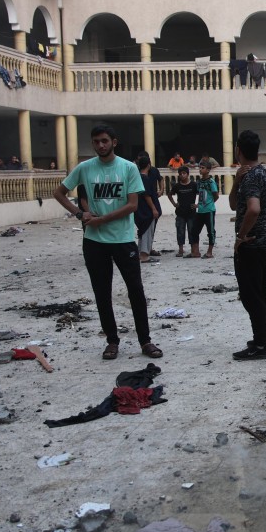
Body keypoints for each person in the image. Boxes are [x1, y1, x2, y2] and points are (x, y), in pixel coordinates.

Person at [52, 124, 162, 361]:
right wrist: (80, 214)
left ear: (114, 141)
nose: (100, 145)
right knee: (102, 292)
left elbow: (133, 205)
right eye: (96, 142)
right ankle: (112, 341)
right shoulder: (85, 168)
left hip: (123, 240)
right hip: (94, 242)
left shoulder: (128, 168)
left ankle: (145, 340)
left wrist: (102, 219)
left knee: (136, 291)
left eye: (104, 141)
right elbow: (59, 193)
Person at [229, 130, 266, 361]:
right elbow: (232, 204)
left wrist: (241, 235)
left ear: (239, 150)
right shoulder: (263, 174)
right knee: (262, 292)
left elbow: (254, 208)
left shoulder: (251, 177)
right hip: (265, 242)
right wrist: (236, 180)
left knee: (251, 296)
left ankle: (260, 346)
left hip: (252, 244)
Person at [134, 152, 162, 263]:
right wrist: (154, 209)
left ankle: (141, 252)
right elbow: (147, 195)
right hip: (147, 210)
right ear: (148, 165)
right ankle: (145, 254)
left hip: (140, 209)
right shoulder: (144, 178)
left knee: (143, 230)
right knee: (147, 230)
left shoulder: (137, 177)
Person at [166, 165, 197, 257]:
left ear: (188, 174)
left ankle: (193, 249)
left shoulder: (194, 185)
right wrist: (174, 204)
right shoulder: (177, 186)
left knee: (192, 231)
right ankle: (181, 250)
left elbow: (202, 194)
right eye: (180, 174)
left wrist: (198, 205)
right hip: (180, 213)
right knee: (180, 231)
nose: (182, 175)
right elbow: (169, 194)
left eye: (184, 173)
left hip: (191, 212)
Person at [190, 160, 218, 259]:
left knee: (210, 231)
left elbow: (216, 195)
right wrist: (199, 205)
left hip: (209, 210)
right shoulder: (199, 182)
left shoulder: (211, 181)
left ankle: (209, 252)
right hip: (201, 211)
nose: (200, 170)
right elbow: (201, 195)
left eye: (203, 168)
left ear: (208, 170)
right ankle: (196, 252)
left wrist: (209, 204)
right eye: (200, 168)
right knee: (194, 231)